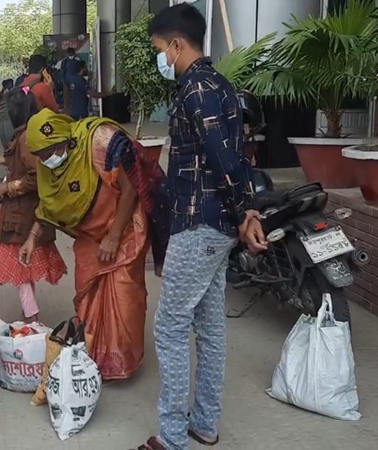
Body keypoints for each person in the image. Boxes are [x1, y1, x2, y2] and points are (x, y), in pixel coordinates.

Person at [137, 5, 267, 450]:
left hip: (200, 224)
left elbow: (223, 158)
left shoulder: (196, 89)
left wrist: (247, 210)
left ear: (176, 44)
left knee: (171, 327)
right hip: (216, 224)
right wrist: (244, 212)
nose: (162, 59)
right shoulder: (221, 85)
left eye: (160, 50)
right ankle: (205, 425)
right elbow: (236, 154)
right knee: (209, 327)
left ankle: (173, 438)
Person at [20, 108, 169, 381]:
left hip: (123, 231)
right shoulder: (49, 169)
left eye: (50, 151)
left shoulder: (99, 141)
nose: (46, 159)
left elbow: (131, 187)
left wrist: (113, 236)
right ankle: (93, 356)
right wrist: (32, 237)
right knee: (87, 294)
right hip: (90, 238)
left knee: (124, 297)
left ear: (66, 139)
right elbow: (49, 205)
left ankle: (120, 362)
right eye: (40, 155)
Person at [0, 89, 67, 323]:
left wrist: (4, 188)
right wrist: (5, 160)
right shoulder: (27, 135)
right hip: (22, 213)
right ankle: (29, 314)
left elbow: (35, 177)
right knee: (23, 267)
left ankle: (31, 317)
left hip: (22, 214)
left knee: (19, 269)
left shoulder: (25, 138)